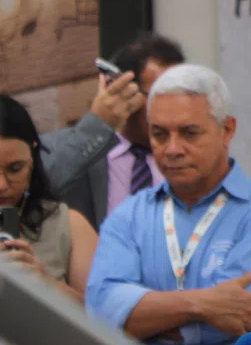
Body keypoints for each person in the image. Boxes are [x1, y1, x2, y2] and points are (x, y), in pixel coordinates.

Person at [85, 64, 251, 345]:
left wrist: (142, 319)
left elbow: (243, 315)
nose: (172, 149)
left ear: (227, 130)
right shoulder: (129, 216)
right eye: (159, 134)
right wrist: (204, 305)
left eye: (189, 133)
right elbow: (102, 311)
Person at [0, 95, 100, 345]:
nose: (3, 184)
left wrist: (46, 285)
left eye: (15, 169)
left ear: (33, 155)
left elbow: (105, 326)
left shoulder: (66, 223)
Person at [42, 32, 185, 229]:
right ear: (124, 91)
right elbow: (34, 187)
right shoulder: (81, 149)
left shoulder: (188, 154)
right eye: (161, 95)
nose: (175, 108)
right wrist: (98, 124)